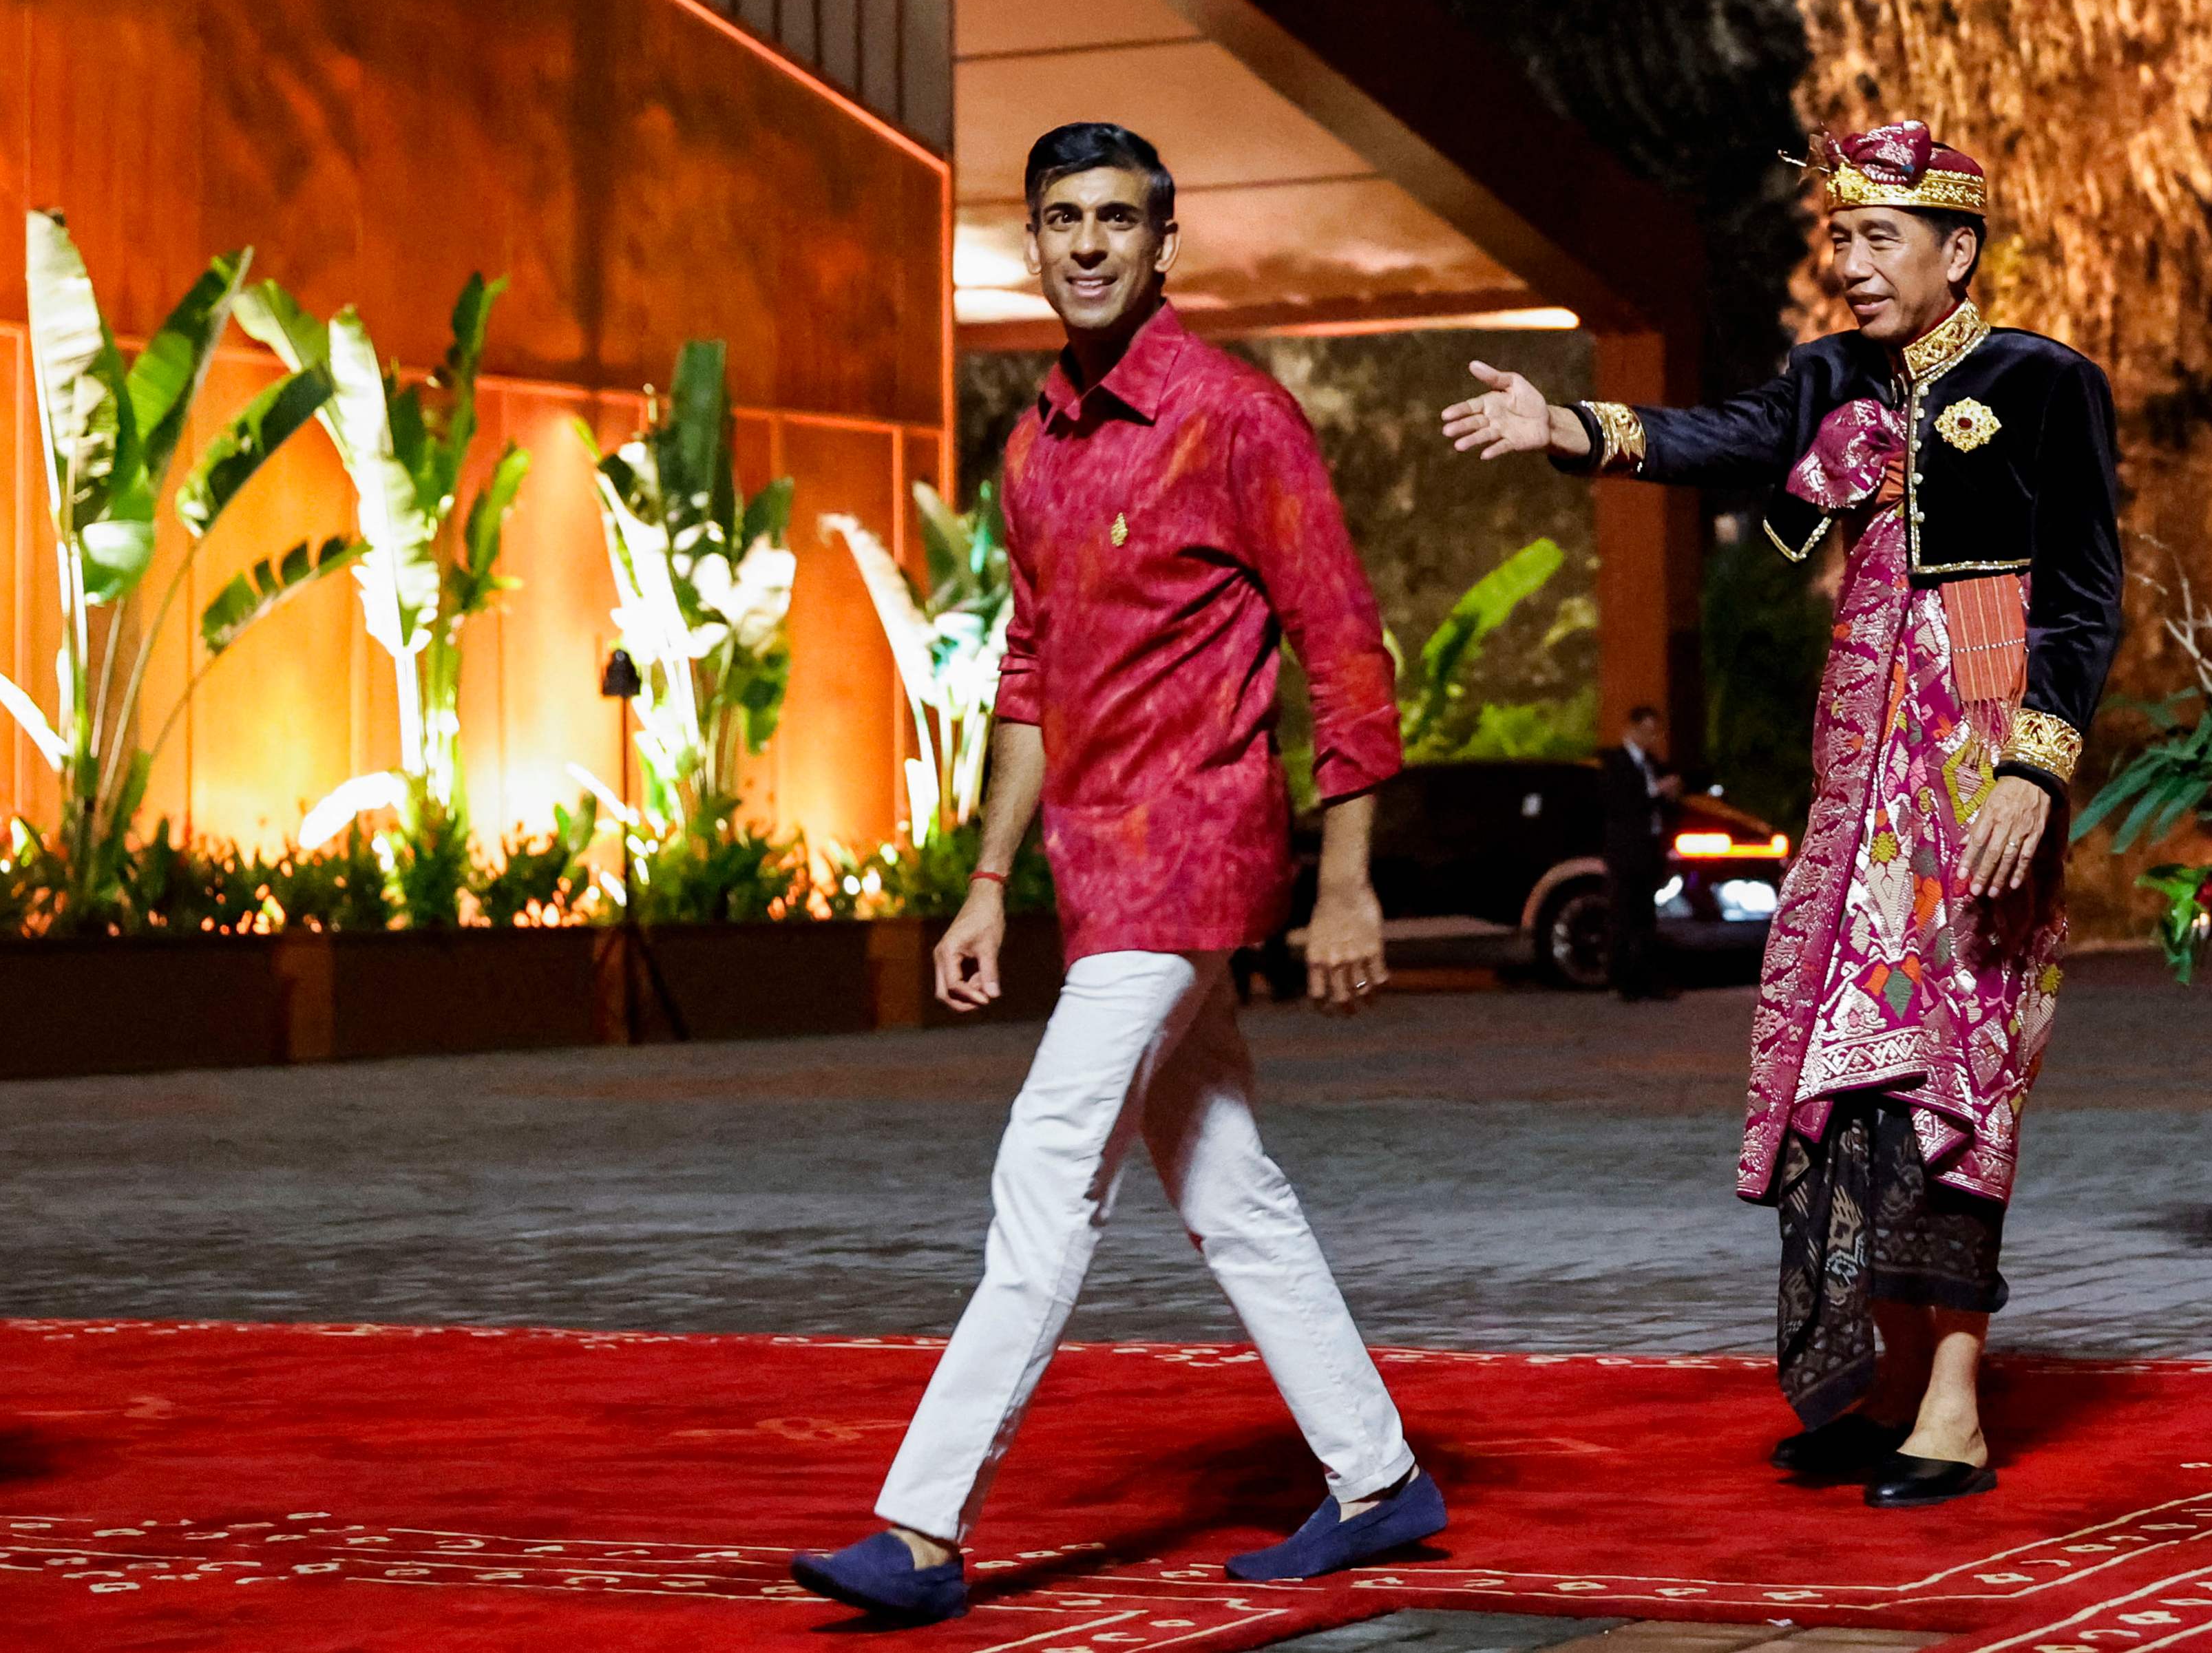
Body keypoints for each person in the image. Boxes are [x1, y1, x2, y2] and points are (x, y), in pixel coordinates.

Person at [792, 122, 1446, 1625]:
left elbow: (1344, 648)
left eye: (1115, 220)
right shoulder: (1033, 446)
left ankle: (923, 1524)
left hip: (1195, 849)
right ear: (1032, 242)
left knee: (1046, 1162)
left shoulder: (1235, 416)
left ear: (1165, 242)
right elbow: (1027, 672)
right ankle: (1376, 1475)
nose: (1085, 243)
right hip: (1093, 866)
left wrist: (1347, 880)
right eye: (1059, 220)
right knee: (1227, 1184)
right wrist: (983, 875)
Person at [1444, 120, 2121, 1511]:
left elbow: (2081, 596)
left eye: (1880, 239)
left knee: (1954, 1069)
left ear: (1958, 249)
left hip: (1977, 779)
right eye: (1839, 238)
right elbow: (1719, 436)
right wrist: (1564, 424)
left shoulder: (2043, 383)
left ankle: (1953, 1399)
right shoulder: (1827, 380)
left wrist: (2031, 769)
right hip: (1854, 780)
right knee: (1839, 1074)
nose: (1852, 264)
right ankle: (1875, 1375)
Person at [1599, 704, 1685, 1000]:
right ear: (1632, 730)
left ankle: (1647, 979)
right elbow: (1621, 803)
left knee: (1646, 918)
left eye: (1655, 732)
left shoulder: (1651, 763)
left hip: (1648, 850)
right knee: (1624, 916)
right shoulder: (1615, 762)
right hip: (1625, 852)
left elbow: (1660, 806)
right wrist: (1656, 791)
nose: (1651, 738)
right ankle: (1622, 980)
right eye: (1646, 731)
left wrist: (1669, 796)